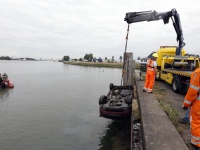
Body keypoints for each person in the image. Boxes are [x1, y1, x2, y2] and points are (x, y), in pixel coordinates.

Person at [182, 68, 200, 150]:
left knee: (196, 122)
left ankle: (196, 143)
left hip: (198, 104)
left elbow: (192, 91)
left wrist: (186, 104)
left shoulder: (198, 72)